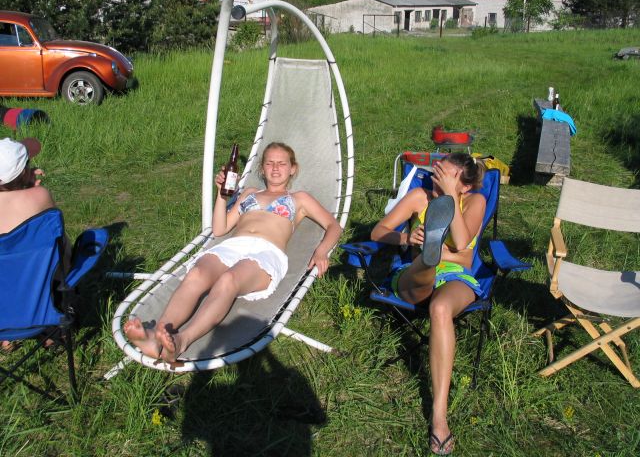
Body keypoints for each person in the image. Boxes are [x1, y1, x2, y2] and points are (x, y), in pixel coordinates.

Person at [125, 142, 342, 363]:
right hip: (233, 246)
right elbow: (220, 229)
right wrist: (221, 195)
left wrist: (322, 251)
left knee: (228, 280)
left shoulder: (299, 198)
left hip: (266, 253)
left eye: (282, 163)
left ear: (292, 168)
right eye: (269, 163)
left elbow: (333, 226)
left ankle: (181, 342)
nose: (275, 168)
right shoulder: (249, 193)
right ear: (262, 168)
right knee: (196, 274)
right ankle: (158, 335)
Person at [370, 153, 486, 456]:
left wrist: (450, 198)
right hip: (415, 277)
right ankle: (428, 257)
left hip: (456, 277)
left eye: (446, 176)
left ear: (465, 185)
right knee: (425, 265)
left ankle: (439, 415)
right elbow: (378, 232)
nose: (437, 178)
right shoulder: (419, 197)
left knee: (441, 308)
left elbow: (462, 244)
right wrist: (407, 239)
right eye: (437, 172)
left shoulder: (475, 202)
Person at [0, 137, 57, 351]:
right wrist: (31, 187)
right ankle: (51, 330)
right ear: (24, 172)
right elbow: (60, 244)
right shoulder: (39, 195)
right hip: (37, 295)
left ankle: (6, 336)